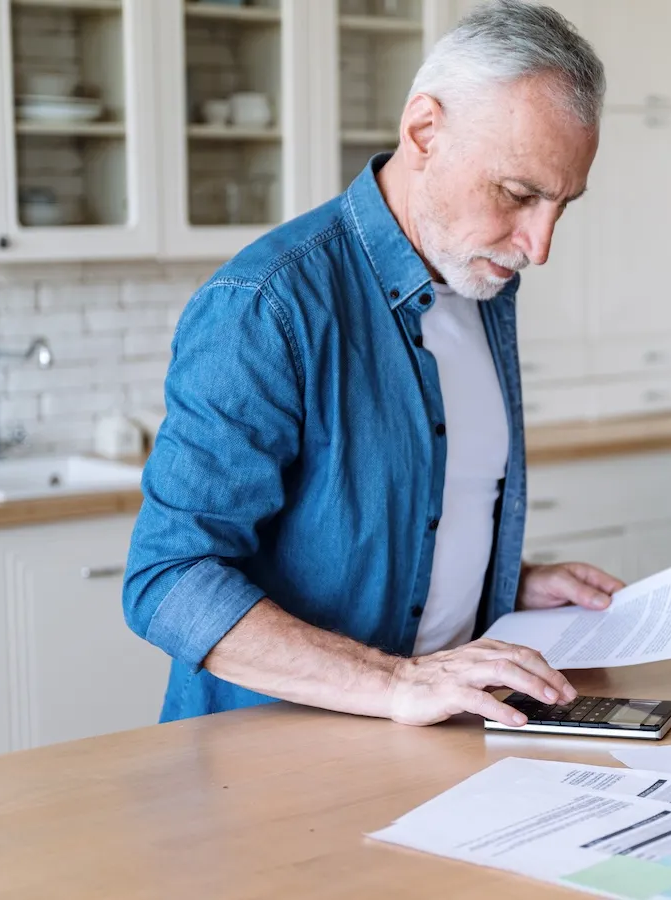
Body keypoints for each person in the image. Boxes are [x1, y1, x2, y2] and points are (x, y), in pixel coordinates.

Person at [122, 0, 618, 728]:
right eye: (518, 194)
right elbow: (168, 579)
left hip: (431, 744)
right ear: (423, 131)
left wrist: (505, 585)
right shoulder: (266, 304)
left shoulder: (479, 284)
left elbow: (407, 525)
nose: (538, 245)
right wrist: (394, 683)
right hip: (266, 760)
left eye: (561, 205)